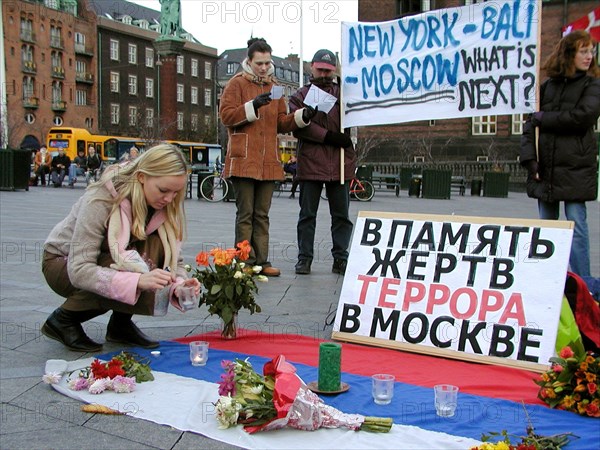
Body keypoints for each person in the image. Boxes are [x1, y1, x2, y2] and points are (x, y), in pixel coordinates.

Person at [40, 144, 200, 352]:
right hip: (62, 261)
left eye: (176, 192)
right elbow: (79, 269)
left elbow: (173, 258)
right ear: (142, 177)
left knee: (153, 250)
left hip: (102, 260)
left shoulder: (164, 205)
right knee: (134, 268)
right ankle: (63, 320)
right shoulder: (101, 198)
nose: (169, 199)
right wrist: (137, 281)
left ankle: (120, 325)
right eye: (163, 190)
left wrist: (179, 284)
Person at [219, 37, 316, 277]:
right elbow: (227, 116)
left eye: (267, 63)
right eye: (259, 63)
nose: (263, 67)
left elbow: (281, 122)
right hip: (243, 160)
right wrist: (252, 106)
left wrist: (303, 115)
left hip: (267, 162)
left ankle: (261, 262)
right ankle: (244, 263)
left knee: (261, 215)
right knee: (245, 215)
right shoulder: (236, 84)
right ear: (249, 61)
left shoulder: (274, 87)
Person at [520, 30, 600, 278]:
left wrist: (546, 119)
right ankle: (547, 279)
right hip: (545, 166)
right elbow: (529, 125)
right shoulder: (547, 87)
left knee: (576, 225)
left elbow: (582, 118)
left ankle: (584, 283)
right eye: (583, 51)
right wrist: (530, 160)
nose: (589, 56)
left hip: (575, 166)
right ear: (569, 54)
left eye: (591, 51)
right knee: (547, 227)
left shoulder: (593, 84)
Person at [289, 49, 357, 275]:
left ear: (335, 70)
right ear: (312, 67)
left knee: (341, 215)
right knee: (307, 215)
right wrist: (328, 136)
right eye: (321, 69)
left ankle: (340, 258)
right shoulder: (300, 95)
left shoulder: (345, 94)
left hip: (339, 164)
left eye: (329, 70)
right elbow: (296, 126)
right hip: (312, 163)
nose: (325, 74)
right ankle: (304, 258)